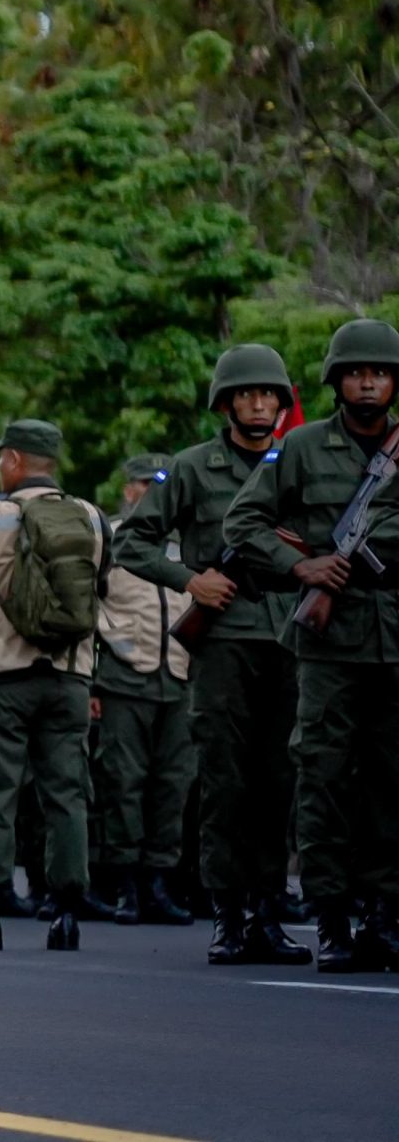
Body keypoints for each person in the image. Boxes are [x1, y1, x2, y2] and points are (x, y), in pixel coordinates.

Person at [116, 345, 308, 964]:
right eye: (246, 394)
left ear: (282, 403)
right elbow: (131, 543)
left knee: (278, 783)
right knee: (225, 781)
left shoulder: (300, 463)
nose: (258, 404)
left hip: (287, 637)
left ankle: (269, 913)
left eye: (269, 394)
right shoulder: (192, 468)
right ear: (225, 403)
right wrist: (188, 580)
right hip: (221, 640)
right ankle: (228, 915)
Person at [223, 317, 399, 973]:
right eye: (356, 371)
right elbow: (244, 521)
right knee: (322, 779)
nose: (368, 381)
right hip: (330, 645)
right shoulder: (298, 448)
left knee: (392, 784)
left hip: (395, 641)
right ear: (336, 380)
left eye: (380, 372)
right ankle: (331, 919)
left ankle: (385, 917)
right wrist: (301, 567)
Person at [0, 420, 108, 952]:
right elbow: (97, 588)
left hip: (0, 675)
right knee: (67, 794)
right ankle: (66, 913)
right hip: (69, 675)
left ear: (12, 460)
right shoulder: (92, 518)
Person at [93, 452, 195, 927]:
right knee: (122, 783)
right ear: (127, 488)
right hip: (123, 677)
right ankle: (125, 884)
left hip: (178, 677)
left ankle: (159, 880)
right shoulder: (107, 537)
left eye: (160, 484)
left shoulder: (188, 542)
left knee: (172, 785)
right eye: (141, 484)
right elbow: (86, 606)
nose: (149, 492)